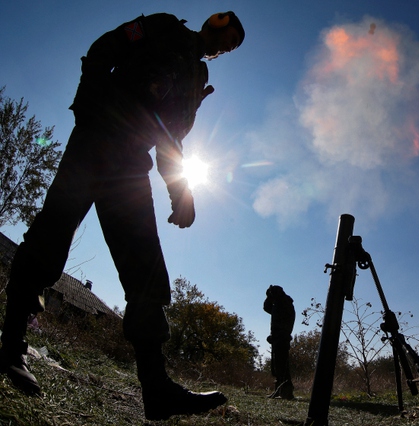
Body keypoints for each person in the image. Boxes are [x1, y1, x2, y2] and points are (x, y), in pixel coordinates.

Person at [0, 11, 244, 421]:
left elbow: (170, 139)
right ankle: (11, 347)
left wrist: (179, 191)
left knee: (146, 274)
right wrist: (88, 100)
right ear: (213, 22)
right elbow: (104, 47)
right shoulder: (164, 26)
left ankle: (157, 389)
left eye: (233, 46)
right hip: (97, 138)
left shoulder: (197, 76)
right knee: (49, 240)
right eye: (227, 35)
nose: (225, 47)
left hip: (130, 166)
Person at [263, 285, 295, 399]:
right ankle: (280, 390)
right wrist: (269, 297)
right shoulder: (279, 303)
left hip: (282, 338)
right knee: (277, 366)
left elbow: (284, 323)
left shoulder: (284, 304)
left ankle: (285, 391)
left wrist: (277, 335)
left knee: (282, 366)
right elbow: (267, 308)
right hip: (278, 338)